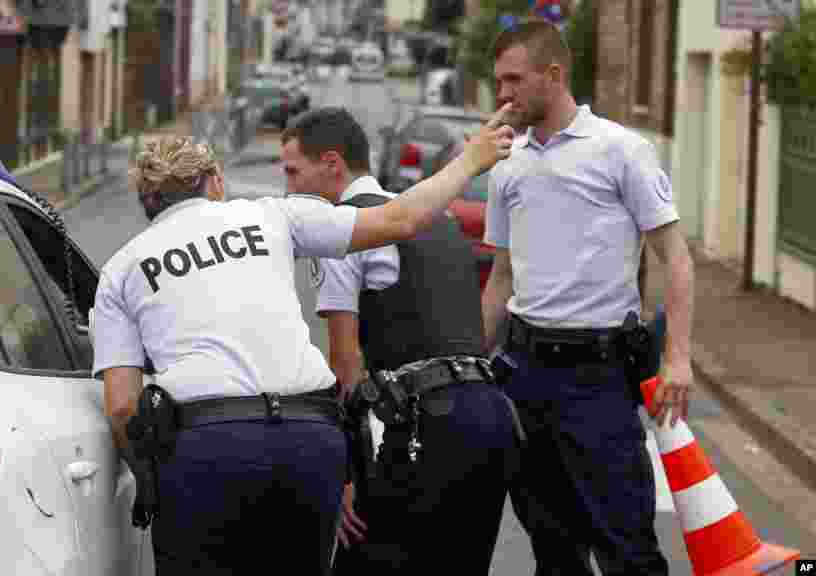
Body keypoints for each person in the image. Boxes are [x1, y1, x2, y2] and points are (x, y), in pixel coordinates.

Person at [93, 117, 514, 575]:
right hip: (307, 439)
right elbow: (402, 218)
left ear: (147, 202)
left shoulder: (121, 268)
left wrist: (153, 479)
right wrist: (472, 159)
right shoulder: (271, 213)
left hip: (207, 446)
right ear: (215, 182)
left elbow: (121, 407)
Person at [481, 19, 695, 575]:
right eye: (497, 82)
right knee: (552, 550)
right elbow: (501, 276)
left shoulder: (622, 151)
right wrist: (474, 363)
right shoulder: (506, 164)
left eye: (513, 80)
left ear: (553, 76)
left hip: (597, 380)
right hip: (523, 375)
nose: (502, 94)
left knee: (627, 550)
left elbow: (676, 256)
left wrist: (677, 356)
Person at [280, 108, 519, 574]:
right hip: (490, 419)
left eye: (292, 171)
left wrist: (345, 472)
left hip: (427, 428)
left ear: (332, 164)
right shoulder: (440, 220)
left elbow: (345, 362)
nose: (288, 187)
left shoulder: (344, 229)